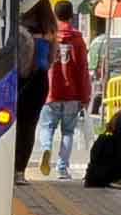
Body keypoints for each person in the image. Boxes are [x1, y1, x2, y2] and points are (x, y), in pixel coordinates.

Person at [36, 10, 92, 177]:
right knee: (68, 131)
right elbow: (82, 69)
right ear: (70, 16)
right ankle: (62, 168)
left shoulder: (49, 36)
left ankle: (46, 148)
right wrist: (85, 96)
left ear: (55, 15)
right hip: (72, 94)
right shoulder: (78, 40)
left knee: (47, 127)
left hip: (50, 91)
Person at [15, 0, 54, 165]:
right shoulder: (50, 30)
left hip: (19, 80)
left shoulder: (19, 28)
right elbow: (51, 59)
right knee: (29, 126)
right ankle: (20, 170)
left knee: (13, 126)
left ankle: (10, 165)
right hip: (40, 81)